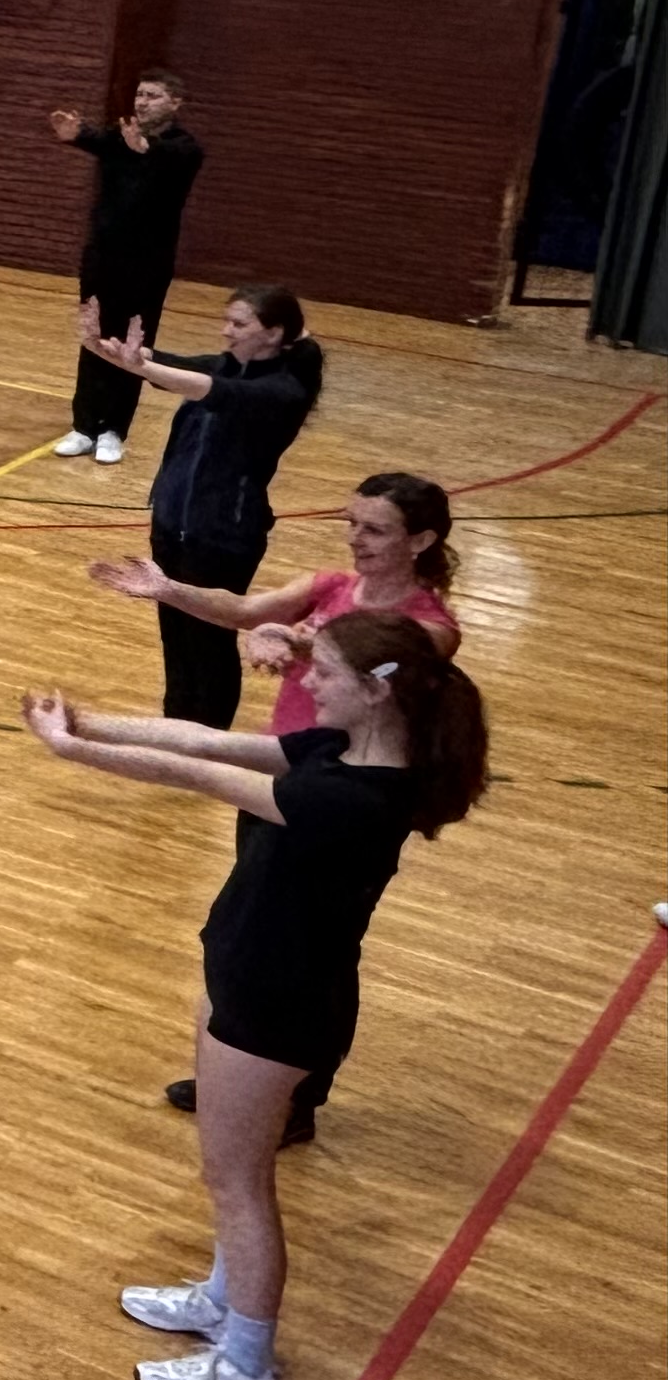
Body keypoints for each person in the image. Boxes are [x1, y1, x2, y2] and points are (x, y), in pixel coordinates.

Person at [20, 612, 488, 1380]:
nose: (309, 681)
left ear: (377, 692)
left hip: (279, 1003)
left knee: (238, 1183)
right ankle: (221, 1300)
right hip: (248, 974)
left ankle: (246, 1367)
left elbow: (198, 775)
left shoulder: (350, 797)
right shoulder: (339, 751)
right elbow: (210, 742)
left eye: (325, 672)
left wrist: (73, 751)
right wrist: (89, 721)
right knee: (232, 1175)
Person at [96, 469, 462, 1145]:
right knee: (249, 928)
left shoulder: (429, 629)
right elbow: (242, 609)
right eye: (351, 524)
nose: (356, 539)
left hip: (343, 802)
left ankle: (296, 1097)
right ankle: (241, 1067)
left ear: (421, 540)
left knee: (318, 949)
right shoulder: (329, 586)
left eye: (375, 529)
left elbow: (373, 662)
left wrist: (286, 640)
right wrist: (169, 589)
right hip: (283, 774)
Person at [81, 284, 325, 724]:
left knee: (208, 643)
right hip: (172, 524)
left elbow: (210, 390)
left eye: (239, 323)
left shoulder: (283, 391)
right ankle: (176, 729)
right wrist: (105, 349)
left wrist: (139, 364)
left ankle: (207, 737)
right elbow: (168, 365)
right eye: (226, 320)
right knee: (175, 639)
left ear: (273, 334)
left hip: (224, 535)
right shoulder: (226, 364)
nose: (225, 331)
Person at [51, 72, 203, 462]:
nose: (142, 101)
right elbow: (96, 139)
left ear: (175, 102)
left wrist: (146, 149)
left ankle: (113, 430)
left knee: (131, 345)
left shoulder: (184, 149)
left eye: (153, 95)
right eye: (139, 94)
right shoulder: (120, 138)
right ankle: (84, 426)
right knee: (94, 339)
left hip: (146, 266)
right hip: (102, 259)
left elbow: (168, 158)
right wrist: (75, 134)